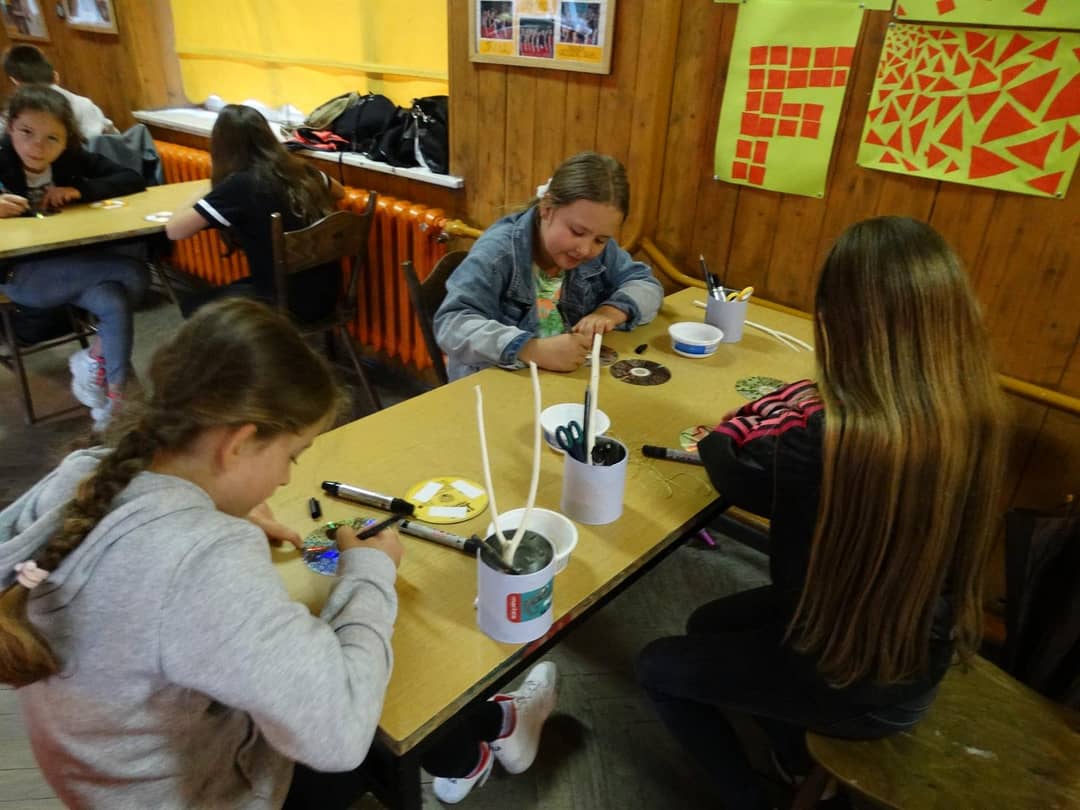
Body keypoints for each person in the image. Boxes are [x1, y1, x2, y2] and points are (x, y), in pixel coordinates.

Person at [0, 297, 559, 808]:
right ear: (239, 444)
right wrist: (370, 570)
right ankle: (486, 736)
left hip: (107, 781)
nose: (288, 479)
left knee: (347, 654)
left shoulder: (84, 473)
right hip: (203, 792)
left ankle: (488, 734)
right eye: (292, 455)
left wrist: (221, 508)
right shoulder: (200, 562)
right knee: (399, 673)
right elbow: (339, 733)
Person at [636, 217, 1009, 809]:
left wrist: (734, 428)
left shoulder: (829, 438)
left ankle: (754, 799)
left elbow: (734, 470)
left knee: (657, 666)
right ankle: (792, 757)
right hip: (911, 650)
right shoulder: (972, 411)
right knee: (708, 621)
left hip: (852, 677)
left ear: (839, 321)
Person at [434, 151, 663, 380]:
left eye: (600, 240)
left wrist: (612, 312)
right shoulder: (497, 253)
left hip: (564, 379)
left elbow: (645, 283)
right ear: (547, 208)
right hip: (496, 384)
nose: (585, 249)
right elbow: (452, 324)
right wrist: (530, 349)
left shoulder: (599, 250)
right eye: (577, 232)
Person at [0, 84, 148, 429]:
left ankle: (115, 402)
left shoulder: (71, 159)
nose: (37, 146)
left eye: (52, 138)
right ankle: (106, 380)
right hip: (18, 275)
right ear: (10, 128)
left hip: (74, 267)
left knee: (114, 299)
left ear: (66, 140)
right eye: (26, 132)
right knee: (134, 274)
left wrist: (80, 189)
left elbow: (131, 178)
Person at [165, 103, 345, 324]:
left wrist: (209, 187)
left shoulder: (239, 186)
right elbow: (339, 191)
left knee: (192, 305)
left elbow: (174, 230)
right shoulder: (301, 169)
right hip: (328, 295)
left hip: (282, 304)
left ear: (222, 146)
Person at [3, 44, 116, 138]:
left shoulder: (14, 111)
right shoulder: (83, 104)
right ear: (55, 76)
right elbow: (101, 143)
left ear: (16, 81)